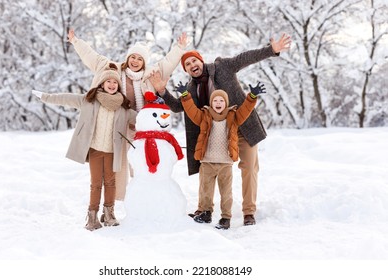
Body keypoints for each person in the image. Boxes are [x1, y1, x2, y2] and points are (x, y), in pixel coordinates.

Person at [149, 33, 291, 226]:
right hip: (217, 136)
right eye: (187, 65)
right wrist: (162, 91)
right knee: (207, 168)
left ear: (200, 60)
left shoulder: (222, 67)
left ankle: (249, 212)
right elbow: (177, 107)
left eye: (193, 61)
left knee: (249, 168)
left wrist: (271, 50)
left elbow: (245, 58)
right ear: (187, 71)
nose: (192, 65)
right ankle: (204, 209)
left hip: (243, 127)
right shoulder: (191, 89)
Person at [67, 28, 188, 201]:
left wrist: (180, 47)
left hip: (141, 127)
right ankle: (117, 200)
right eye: (133, 57)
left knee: (142, 164)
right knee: (119, 164)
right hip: (116, 125)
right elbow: (92, 57)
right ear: (128, 58)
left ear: (144, 62)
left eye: (140, 58)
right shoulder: (113, 70)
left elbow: (167, 62)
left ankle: (145, 198)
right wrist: (76, 42)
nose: (135, 61)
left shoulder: (151, 74)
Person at [32, 63, 137, 231]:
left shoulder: (123, 107)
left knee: (110, 183)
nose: (111, 85)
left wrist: (159, 115)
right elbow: (65, 98)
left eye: (115, 82)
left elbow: (142, 119)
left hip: (112, 151)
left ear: (118, 86)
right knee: (96, 183)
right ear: (102, 84)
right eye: (108, 81)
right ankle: (92, 216)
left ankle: (109, 214)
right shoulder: (89, 100)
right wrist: (45, 97)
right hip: (95, 150)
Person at [179, 83, 265, 229]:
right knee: (205, 190)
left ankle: (226, 217)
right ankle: (206, 213)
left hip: (225, 163)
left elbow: (245, 110)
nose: (218, 103)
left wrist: (251, 97)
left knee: (226, 193)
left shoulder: (233, 117)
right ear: (211, 103)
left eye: (221, 101)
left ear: (226, 103)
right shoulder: (204, 116)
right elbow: (192, 111)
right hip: (207, 162)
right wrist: (185, 96)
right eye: (215, 101)